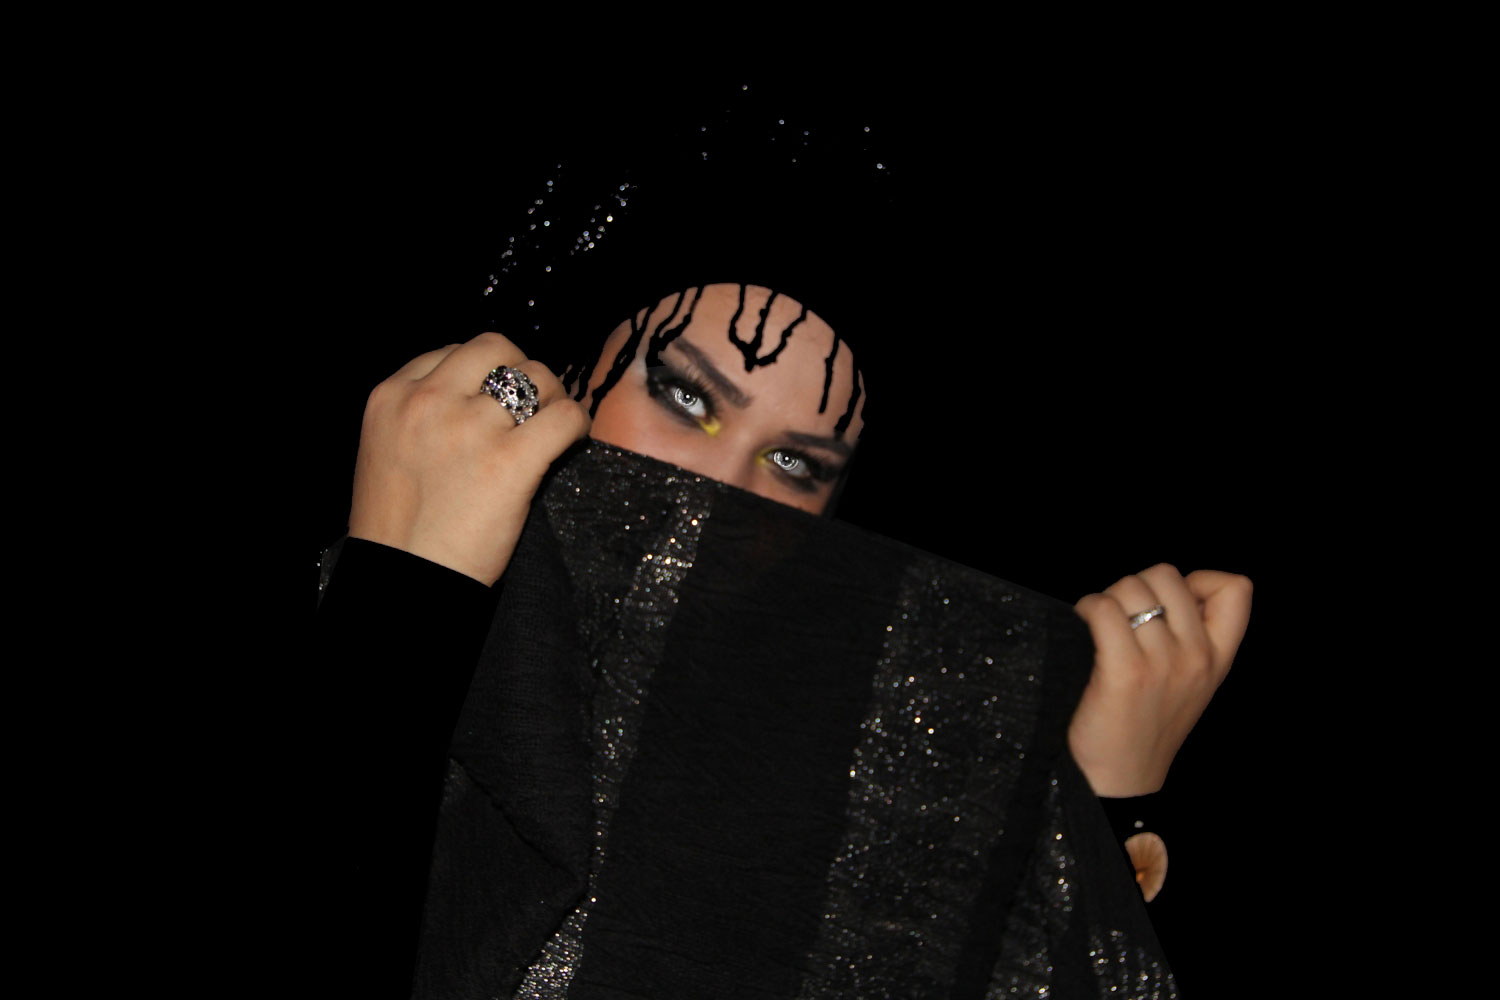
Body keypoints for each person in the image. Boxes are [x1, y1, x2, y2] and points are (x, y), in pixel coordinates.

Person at [320, 279, 1250, 996]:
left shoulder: (841, 797)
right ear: (560, 379)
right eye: (685, 397)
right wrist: (401, 600)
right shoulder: (382, 605)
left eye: (794, 463)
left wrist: (1104, 807)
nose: (727, 489)